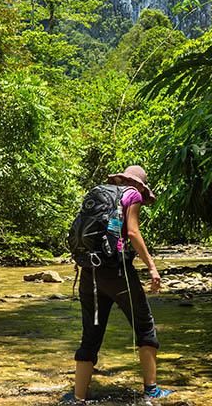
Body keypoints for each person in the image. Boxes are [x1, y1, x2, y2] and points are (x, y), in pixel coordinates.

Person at [64, 165, 173, 403]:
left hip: (89, 272)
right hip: (118, 273)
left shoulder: (99, 194)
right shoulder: (131, 195)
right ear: (139, 185)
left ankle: (78, 396)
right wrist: (152, 267)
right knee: (145, 326)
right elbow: (133, 233)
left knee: (90, 336)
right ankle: (152, 391)